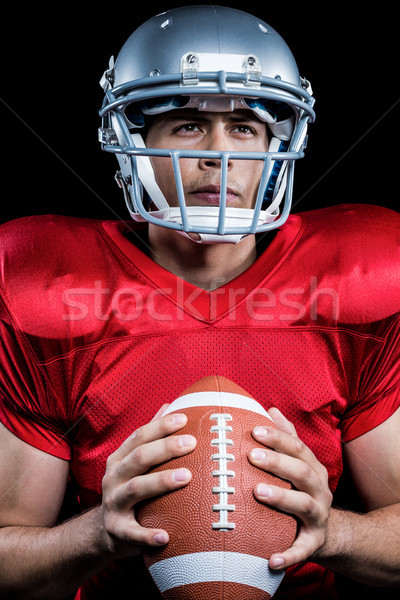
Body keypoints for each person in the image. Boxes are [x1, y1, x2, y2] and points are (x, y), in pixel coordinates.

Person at [0, 5, 399, 599]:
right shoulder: (45, 286)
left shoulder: (360, 276)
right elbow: (11, 557)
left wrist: (332, 532)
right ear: (135, 140)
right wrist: (95, 537)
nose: (220, 152)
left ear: (277, 142)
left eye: (244, 125)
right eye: (187, 124)